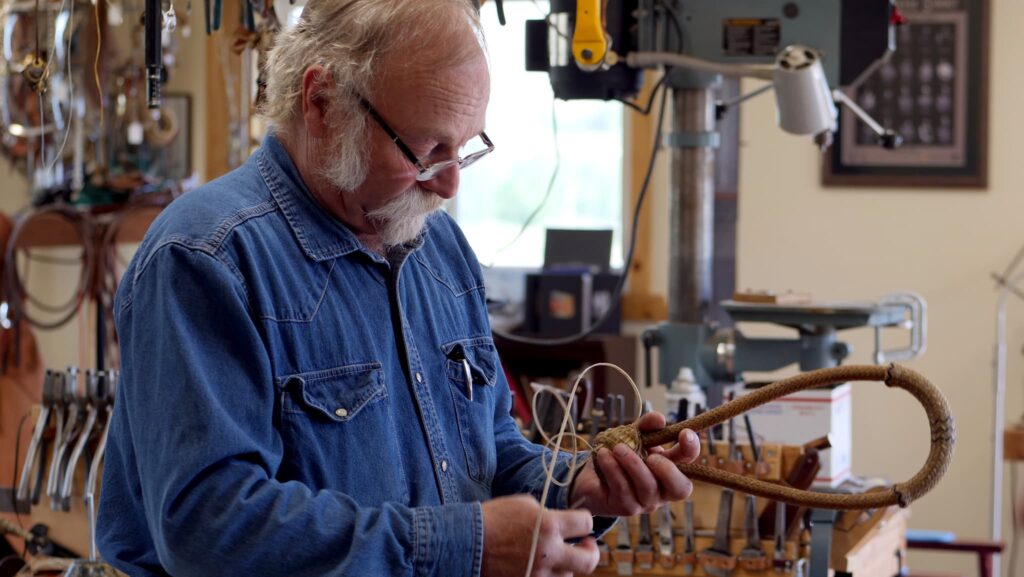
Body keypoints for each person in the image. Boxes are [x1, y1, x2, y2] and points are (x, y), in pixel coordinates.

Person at [96, 1, 701, 575]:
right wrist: (462, 547)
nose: (448, 188)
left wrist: (580, 485)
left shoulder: (437, 248)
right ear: (322, 102)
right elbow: (208, 530)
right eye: (427, 150)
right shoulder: (207, 259)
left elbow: (484, 453)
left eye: (466, 149)